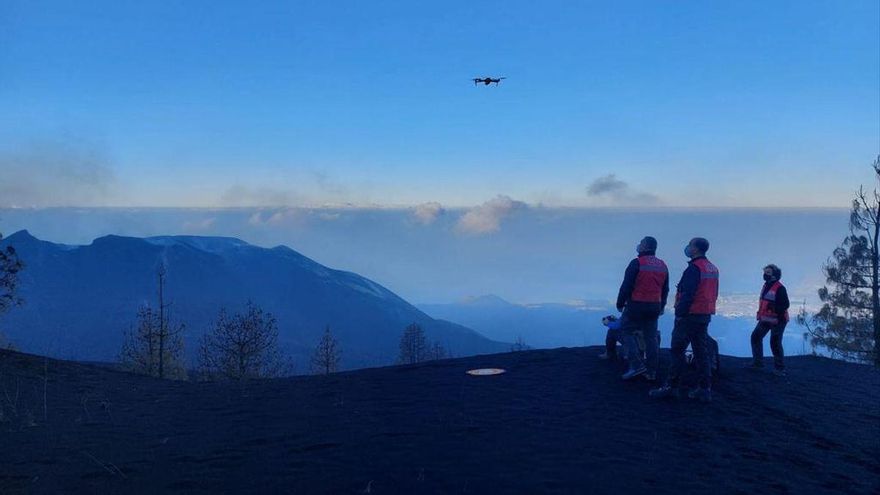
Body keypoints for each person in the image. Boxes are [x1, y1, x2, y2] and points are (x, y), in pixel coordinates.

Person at [649, 237, 719, 402]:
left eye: (690, 245)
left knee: (677, 350)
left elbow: (688, 294)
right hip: (704, 314)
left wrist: (680, 313)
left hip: (689, 315)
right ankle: (705, 388)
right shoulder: (712, 268)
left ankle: (671, 386)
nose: (687, 247)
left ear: (695, 249)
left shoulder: (694, 269)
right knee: (701, 351)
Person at [617, 236, 669, 381]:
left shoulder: (637, 263)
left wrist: (620, 304)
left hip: (636, 305)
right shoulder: (662, 265)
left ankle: (636, 364)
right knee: (651, 337)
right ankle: (651, 372)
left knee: (625, 331)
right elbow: (665, 288)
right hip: (654, 306)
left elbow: (626, 286)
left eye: (640, 243)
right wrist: (662, 306)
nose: (638, 245)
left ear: (645, 246)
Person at [747, 264, 790, 376]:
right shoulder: (766, 285)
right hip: (766, 319)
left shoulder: (780, 288)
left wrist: (774, 309)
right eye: (765, 272)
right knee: (755, 337)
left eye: (768, 273)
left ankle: (780, 369)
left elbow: (785, 304)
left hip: (778, 320)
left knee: (775, 343)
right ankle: (758, 363)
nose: (765, 274)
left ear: (775, 276)